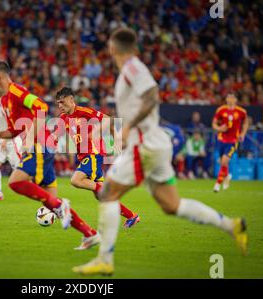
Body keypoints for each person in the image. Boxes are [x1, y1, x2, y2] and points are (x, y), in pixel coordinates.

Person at [73, 28, 248, 276]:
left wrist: (130, 126)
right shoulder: (129, 71)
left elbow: (152, 96)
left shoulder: (133, 68)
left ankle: (105, 259)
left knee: (106, 193)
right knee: (171, 204)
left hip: (144, 144)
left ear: (112, 48)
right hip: (154, 144)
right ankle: (232, 225)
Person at [0, 60, 99, 250]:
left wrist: (29, 140)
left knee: (15, 182)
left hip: (39, 145)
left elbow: (41, 107)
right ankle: (89, 234)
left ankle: (63, 206)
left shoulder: (16, 92)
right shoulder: (5, 100)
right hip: (44, 147)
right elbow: (14, 129)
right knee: (53, 204)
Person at [55, 86, 140, 228]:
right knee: (102, 195)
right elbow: (56, 134)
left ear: (71, 99)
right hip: (84, 156)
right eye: (58, 103)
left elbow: (108, 120)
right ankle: (132, 216)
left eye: (62, 102)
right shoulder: (63, 118)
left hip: (93, 153)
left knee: (76, 180)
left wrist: (117, 141)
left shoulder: (85, 112)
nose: (60, 106)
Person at [0, 91, 22, 201]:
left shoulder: (4, 110)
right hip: (3, 140)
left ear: (1, 99)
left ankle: (41, 187)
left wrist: (6, 138)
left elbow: (13, 125)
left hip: (13, 141)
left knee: (21, 172)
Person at [212, 94, 249, 192]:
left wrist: (243, 134)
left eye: (232, 97)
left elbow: (246, 122)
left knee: (224, 161)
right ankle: (227, 176)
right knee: (222, 163)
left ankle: (217, 184)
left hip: (233, 140)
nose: (230, 99)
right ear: (226, 99)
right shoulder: (221, 110)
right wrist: (219, 128)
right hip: (221, 139)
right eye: (228, 97)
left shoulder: (241, 111)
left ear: (236, 100)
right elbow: (214, 124)